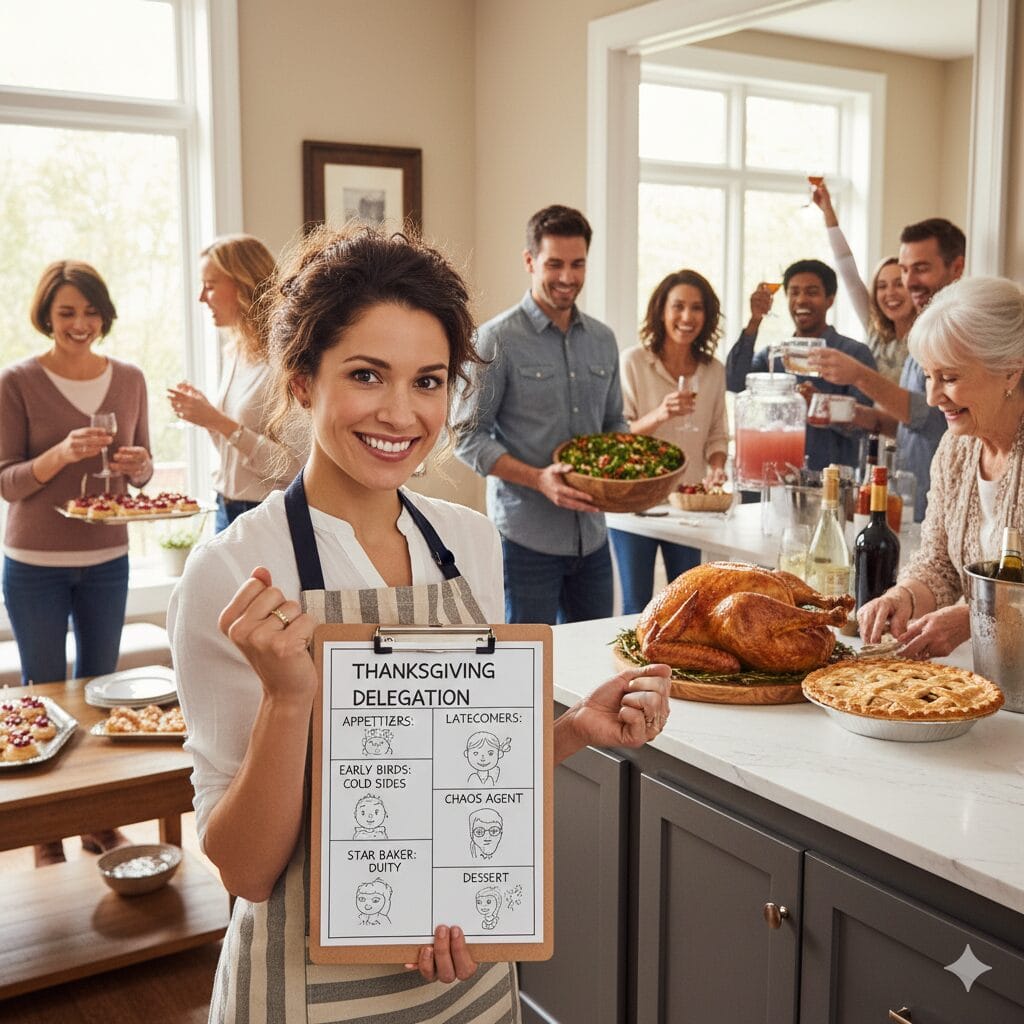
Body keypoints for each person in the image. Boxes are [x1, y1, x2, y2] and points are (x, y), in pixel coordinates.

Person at [168, 225, 671, 1021]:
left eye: (429, 381)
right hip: (304, 992)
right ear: (302, 380)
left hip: (464, 976)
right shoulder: (235, 572)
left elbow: (456, 773)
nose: (401, 414)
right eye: (367, 375)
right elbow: (244, 875)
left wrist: (574, 728)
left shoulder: (468, 541)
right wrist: (290, 701)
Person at [0, 260, 153, 866]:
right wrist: (61, 454)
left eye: (90, 312)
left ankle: (100, 821)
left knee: (99, 694)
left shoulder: (130, 379)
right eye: (67, 313)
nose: (81, 324)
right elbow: (7, 482)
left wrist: (137, 466)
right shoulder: (16, 382)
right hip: (34, 560)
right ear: (48, 316)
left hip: (107, 556)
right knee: (42, 695)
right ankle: (46, 832)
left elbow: (140, 474)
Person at [454, 205, 627, 624]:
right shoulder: (496, 339)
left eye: (577, 264)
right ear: (530, 261)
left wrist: (624, 472)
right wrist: (539, 479)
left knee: (592, 660)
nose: (567, 277)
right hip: (525, 541)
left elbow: (614, 424)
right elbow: (465, 436)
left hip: (593, 539)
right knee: (528, 670)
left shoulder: (603, 340)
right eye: (554, 264)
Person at [859, 276, 1024, 658]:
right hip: (996, 676)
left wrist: (971, 620)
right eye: (929, 377)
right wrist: (902, 596)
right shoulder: (955, 450)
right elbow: (938, 563)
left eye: (949, 378)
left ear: (1010, 373)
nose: (933, 398)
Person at [810, 219, 964, 521]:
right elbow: (906, 428)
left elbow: (931, 417)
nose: (909, 282)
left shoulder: (959, 333)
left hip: (945, 506)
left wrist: (857, 375)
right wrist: (856, 415)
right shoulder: (917, 337)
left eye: (920, 268)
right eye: (905, 270)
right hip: (911, 500)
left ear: (956, 268)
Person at [167, 234, 306, 532]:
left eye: (210, 285)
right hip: (225, 506)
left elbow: (292, 467)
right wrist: (206, 417)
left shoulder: (283, 362)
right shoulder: (235, 352)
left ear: (242, 284)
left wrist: (218, 420)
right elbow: (234, 449)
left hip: (265, 514)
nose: (202, 297)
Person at [611, 269, 729, 612]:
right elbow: (620, 437)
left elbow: (718, 434)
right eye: (678, 306)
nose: (687, 317)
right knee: (637, 605)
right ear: (662, 310)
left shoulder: (713, 370)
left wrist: (717, 468)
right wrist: (661, 413)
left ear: (707, 316)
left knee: (689, 606)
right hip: (637, 503)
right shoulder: (633, 362)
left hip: (688, 506)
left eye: (697, 308)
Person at [725, 258, 876, 472]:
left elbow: (866, 425)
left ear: (830, 300)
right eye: (794, 293)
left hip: (831, 484)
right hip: (774, 478)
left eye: (812, 292)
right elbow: (734, 381)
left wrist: (821, 404)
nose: (801, 300)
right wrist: (754, 320)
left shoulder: (854, 354)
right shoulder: (773, 356)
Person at [812, 181, 916, 384]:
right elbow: (847, 269)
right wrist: (828, 212)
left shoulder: (926, 337)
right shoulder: (874, 328)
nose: (890, 293)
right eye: (882, 286)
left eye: (898, 284)